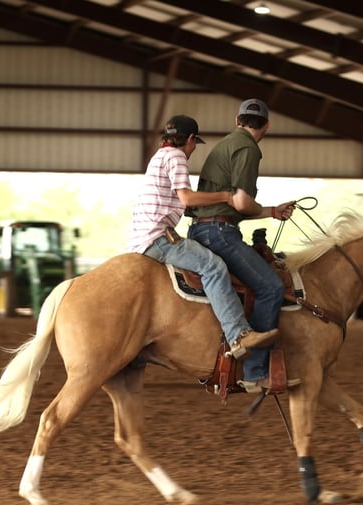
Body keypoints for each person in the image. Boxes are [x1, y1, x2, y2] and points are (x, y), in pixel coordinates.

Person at [125, 114, 278, 360]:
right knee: (213, 267)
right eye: (194, 144)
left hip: (142, 236)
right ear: (190, 139)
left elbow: (182, 203)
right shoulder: (176, 157)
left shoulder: (159, 156)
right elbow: (186, 198)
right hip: (158, 237)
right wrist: (226, 196)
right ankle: (238, 335)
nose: (193, 149)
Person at [187, 99, 298, 393]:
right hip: (219, 232)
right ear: (267, 125)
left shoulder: (226, 144)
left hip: (204, 228)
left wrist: (271, 211)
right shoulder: (248, 148)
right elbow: (242, 203)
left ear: (237, 120)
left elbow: (236, 204)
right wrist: (268, 210)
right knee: (271, 287)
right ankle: (255, 372)